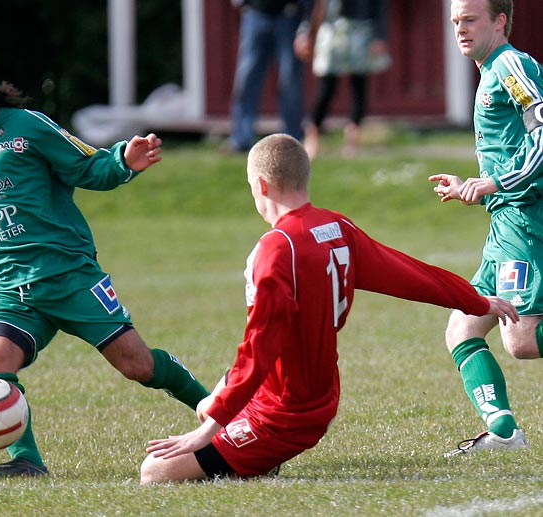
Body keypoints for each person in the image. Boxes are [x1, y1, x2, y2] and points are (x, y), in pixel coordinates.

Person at [0, 42, 209, 479]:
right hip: (9, 289)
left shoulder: (26, 126)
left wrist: (124, 162)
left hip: (70, 276)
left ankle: (219, 415)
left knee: (139, 365)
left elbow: (87, 167)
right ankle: (27, 461)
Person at [139, 133, 520, 483]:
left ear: (260, 186)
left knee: (154, 471)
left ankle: (259, 455)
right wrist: (474, 300)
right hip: (317, 392)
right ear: (305, 178)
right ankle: (239, 441)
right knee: (209, 404)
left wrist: (207, 432)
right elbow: (406, 272)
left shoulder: (275, 251)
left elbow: (259, 348)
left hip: (286, 414)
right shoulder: (336, 227)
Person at [429, 0, 543, 456]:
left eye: (471, 19)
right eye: (456, 21)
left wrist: (497, 181)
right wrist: (472, 186)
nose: (460, 28)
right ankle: (503, 432)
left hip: (525, 217)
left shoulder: (511, 64)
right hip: (504, 220)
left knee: (520, 338)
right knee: (463, 325)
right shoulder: (489, 69)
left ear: (499, 21)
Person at [222, 0, 320, 153]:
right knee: (247, 77)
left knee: (290, 80)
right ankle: (241, 138)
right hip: (255, 13)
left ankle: (291, 141)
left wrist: (305, 27)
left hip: (289, 15)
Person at [296, 0, 390, 159]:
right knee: (326, 89)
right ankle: (313, 136)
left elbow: (380, 5)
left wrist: (380, 35)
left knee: (359, 87)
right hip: (331, 30)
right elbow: (312, 6)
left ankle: (352, 140)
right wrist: (304, 31)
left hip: (360, 29)